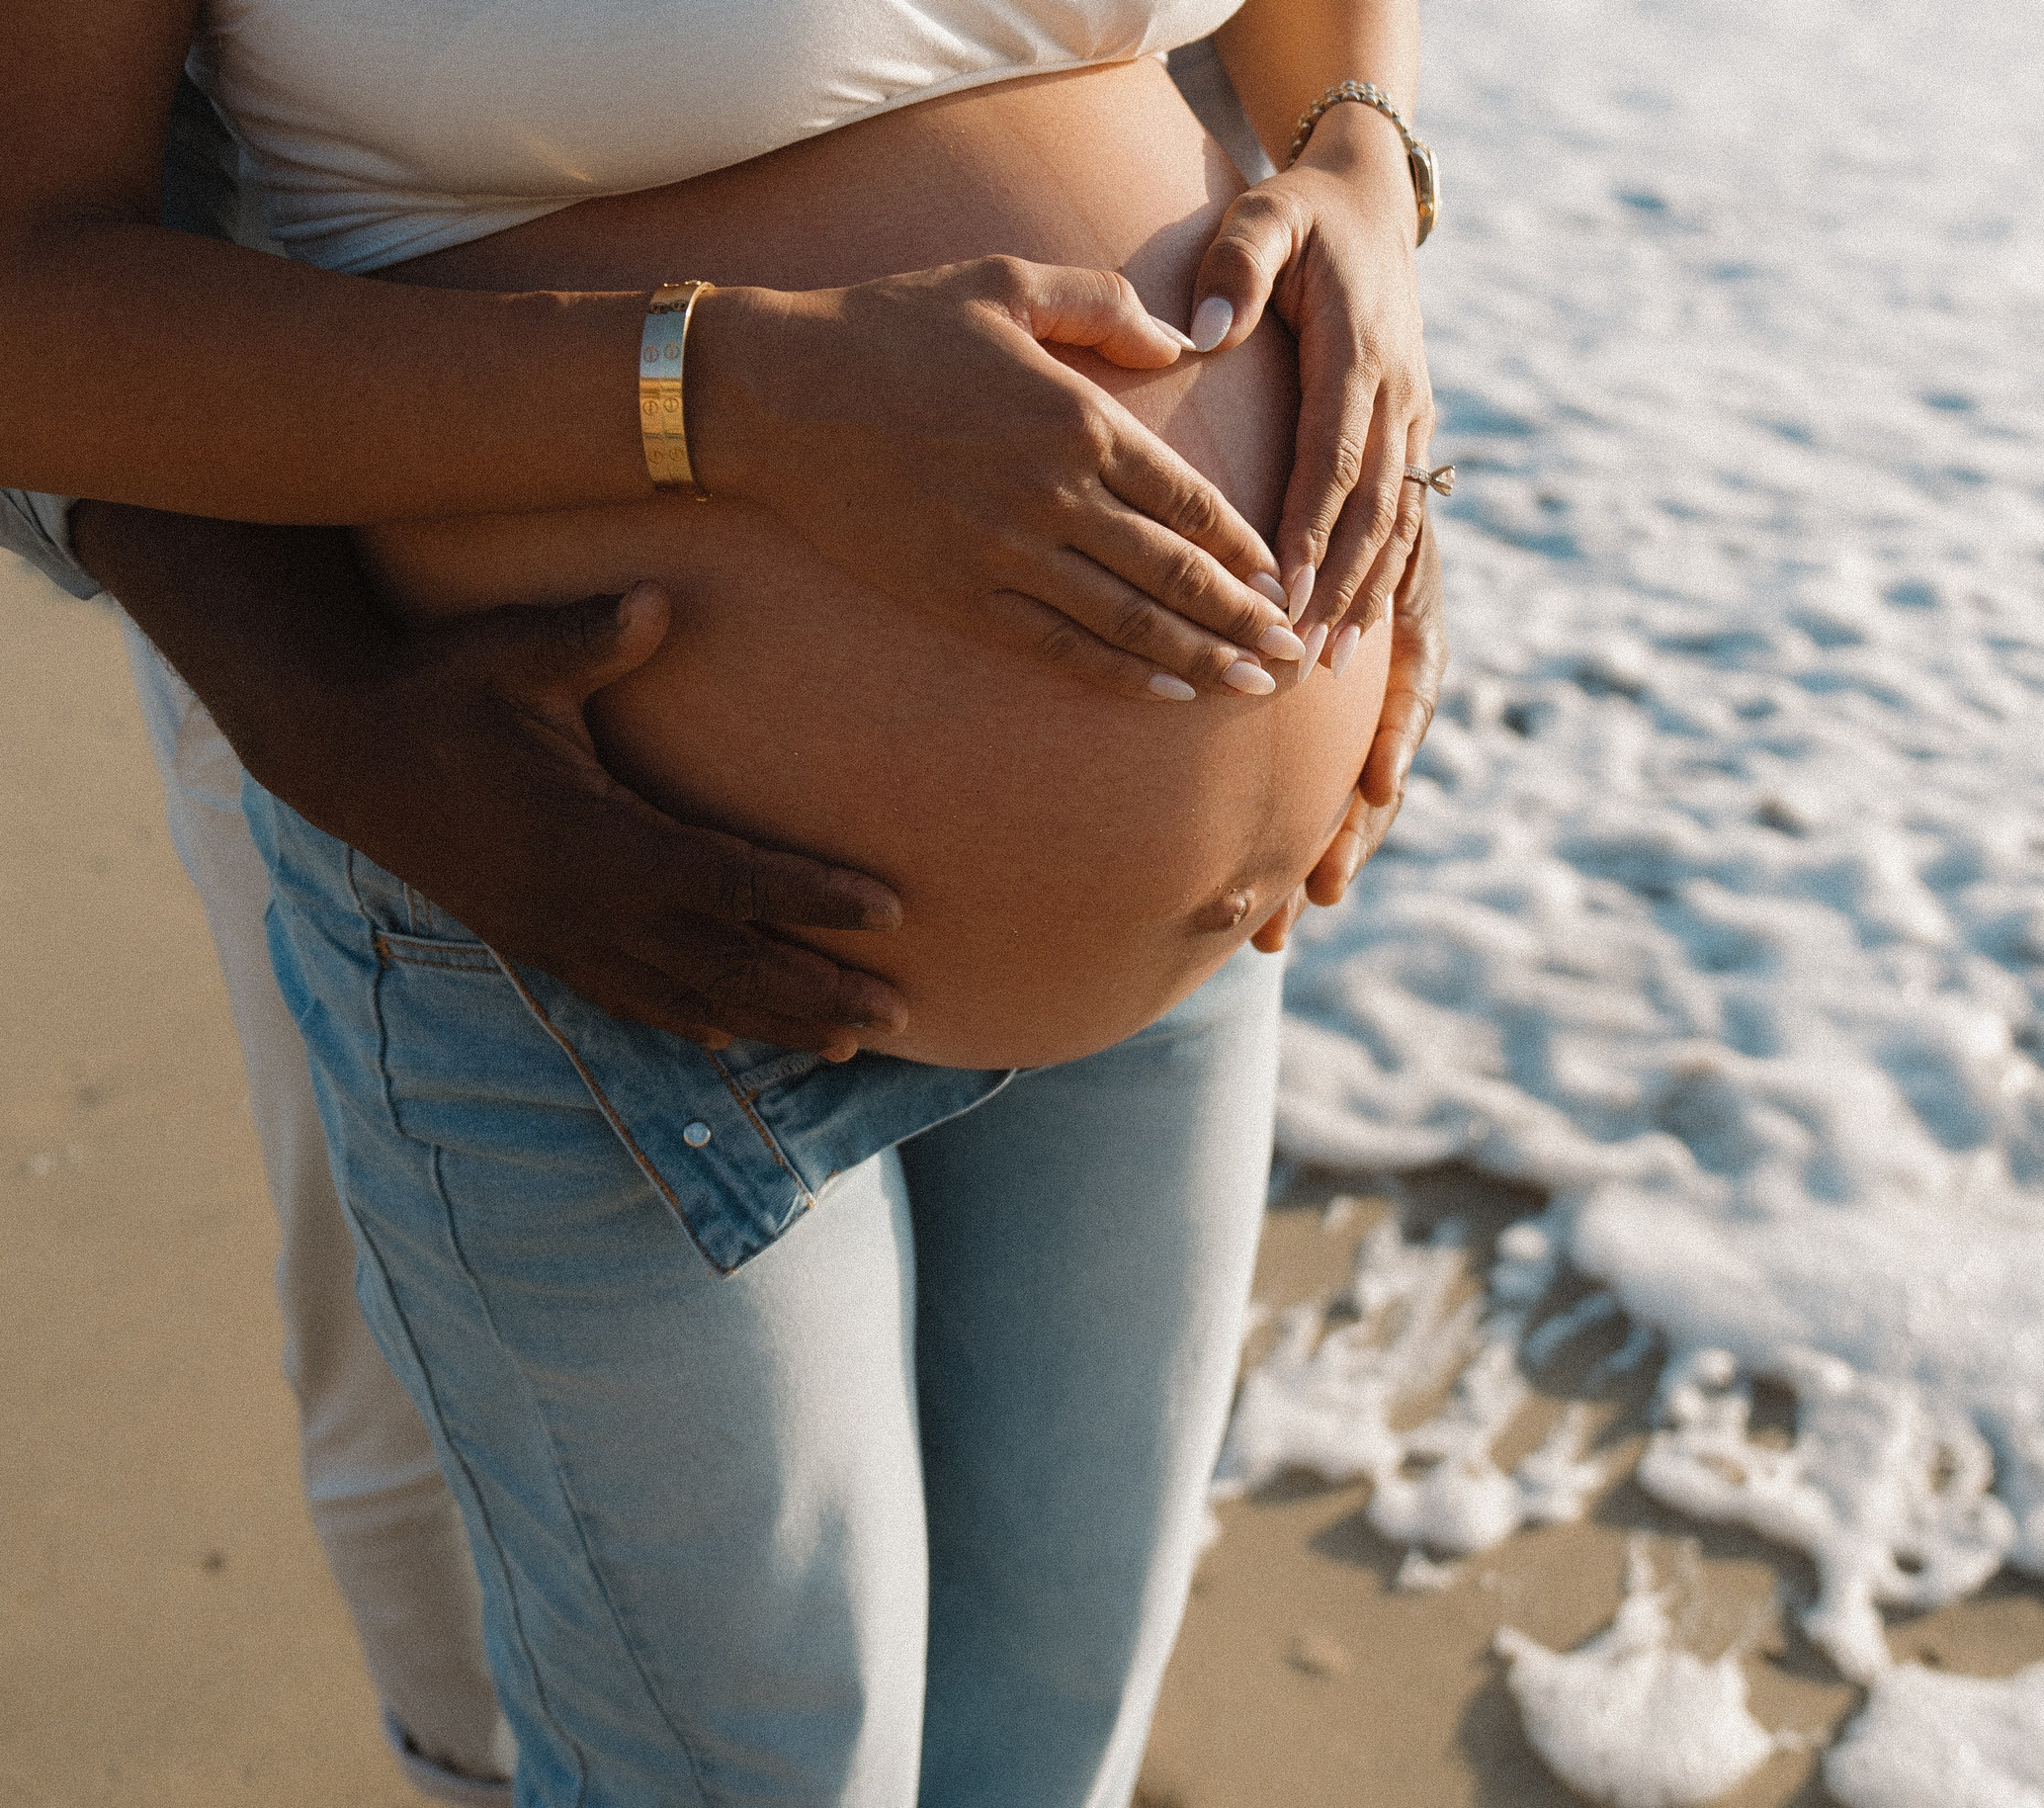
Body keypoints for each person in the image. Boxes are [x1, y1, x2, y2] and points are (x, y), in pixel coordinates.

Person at [2, 7, 1443, 1803]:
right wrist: (733, 398)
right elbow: (30, 296)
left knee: (1047, 1746)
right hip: (594, 916)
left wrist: (1366, 171)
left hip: (1194, 944)